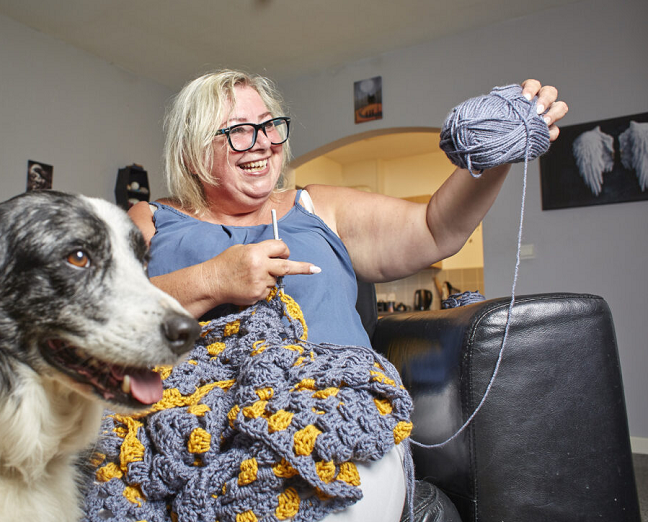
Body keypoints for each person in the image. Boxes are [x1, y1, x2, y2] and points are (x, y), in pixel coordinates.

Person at [127, 70, 567, 521]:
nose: (261, 142)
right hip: (192, 418)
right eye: (239, 131)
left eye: (268, 125)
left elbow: (438, 229)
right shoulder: (151, 220)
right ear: (195, 149)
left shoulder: (318, 206)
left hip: (337, 409)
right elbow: (107, 318)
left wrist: (499, 148)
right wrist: (213, 280)